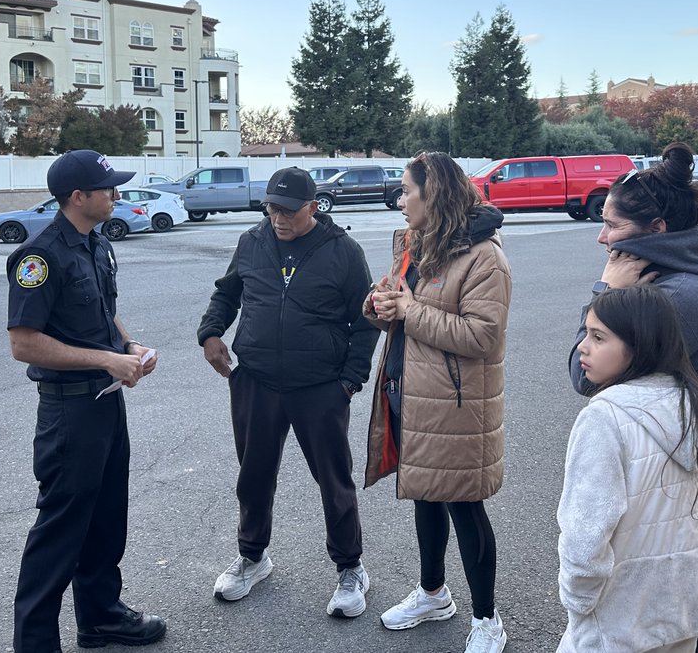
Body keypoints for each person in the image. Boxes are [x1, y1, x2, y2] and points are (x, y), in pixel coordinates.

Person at [197, 167, 379, 618]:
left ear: (312, 207)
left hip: (319, 386)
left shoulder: (343, 251)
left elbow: (367, 319)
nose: (278, 219)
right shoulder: (252, 242)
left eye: (289, 211)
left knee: (334, 480)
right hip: (256, 381)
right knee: (254, 476)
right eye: (271, 209)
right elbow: (226, 295)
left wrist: (349, 381)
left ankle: (351, 567)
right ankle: (252, 557)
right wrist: (211, 333)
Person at [6, 149, 164, 653]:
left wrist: (129, 347)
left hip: (105, 403)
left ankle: (100, 618)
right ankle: (35, 644)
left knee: (106, 518)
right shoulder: (39, 257)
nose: (116, 194)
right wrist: (105, 360)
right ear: (78, 197)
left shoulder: (96, 243)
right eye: (108, 188)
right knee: (60, 531)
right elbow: (24, 343)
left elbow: (102, 311)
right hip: (69, 410)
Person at [364, 151, 512, 653]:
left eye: (407, 191)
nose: (400, 200)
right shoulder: (417, 242)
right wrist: (380, 304)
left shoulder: (484, 257)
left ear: (435, 195)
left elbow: (483, 336)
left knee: (464, 507)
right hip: (408, 393)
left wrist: (410, 310)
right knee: (424, 494)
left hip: (455, 405)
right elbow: (398, 305)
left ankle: (487, 619)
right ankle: (433, 594)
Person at [557, 286, 698, 652]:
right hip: (685, 608)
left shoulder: (603, 419)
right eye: (587, 333)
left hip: (620, 619)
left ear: (639, 345)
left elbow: (585, 535)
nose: (582, 346)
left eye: (598, 337)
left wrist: (579, 601)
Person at [568, 142, 698, 443]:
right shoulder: (679, 275)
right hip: (674, 446)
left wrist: (605, 292)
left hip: (687, 459)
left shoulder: (675, 297)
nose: (602, 237)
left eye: (612, 225)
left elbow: (584, 376)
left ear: (656, 229)